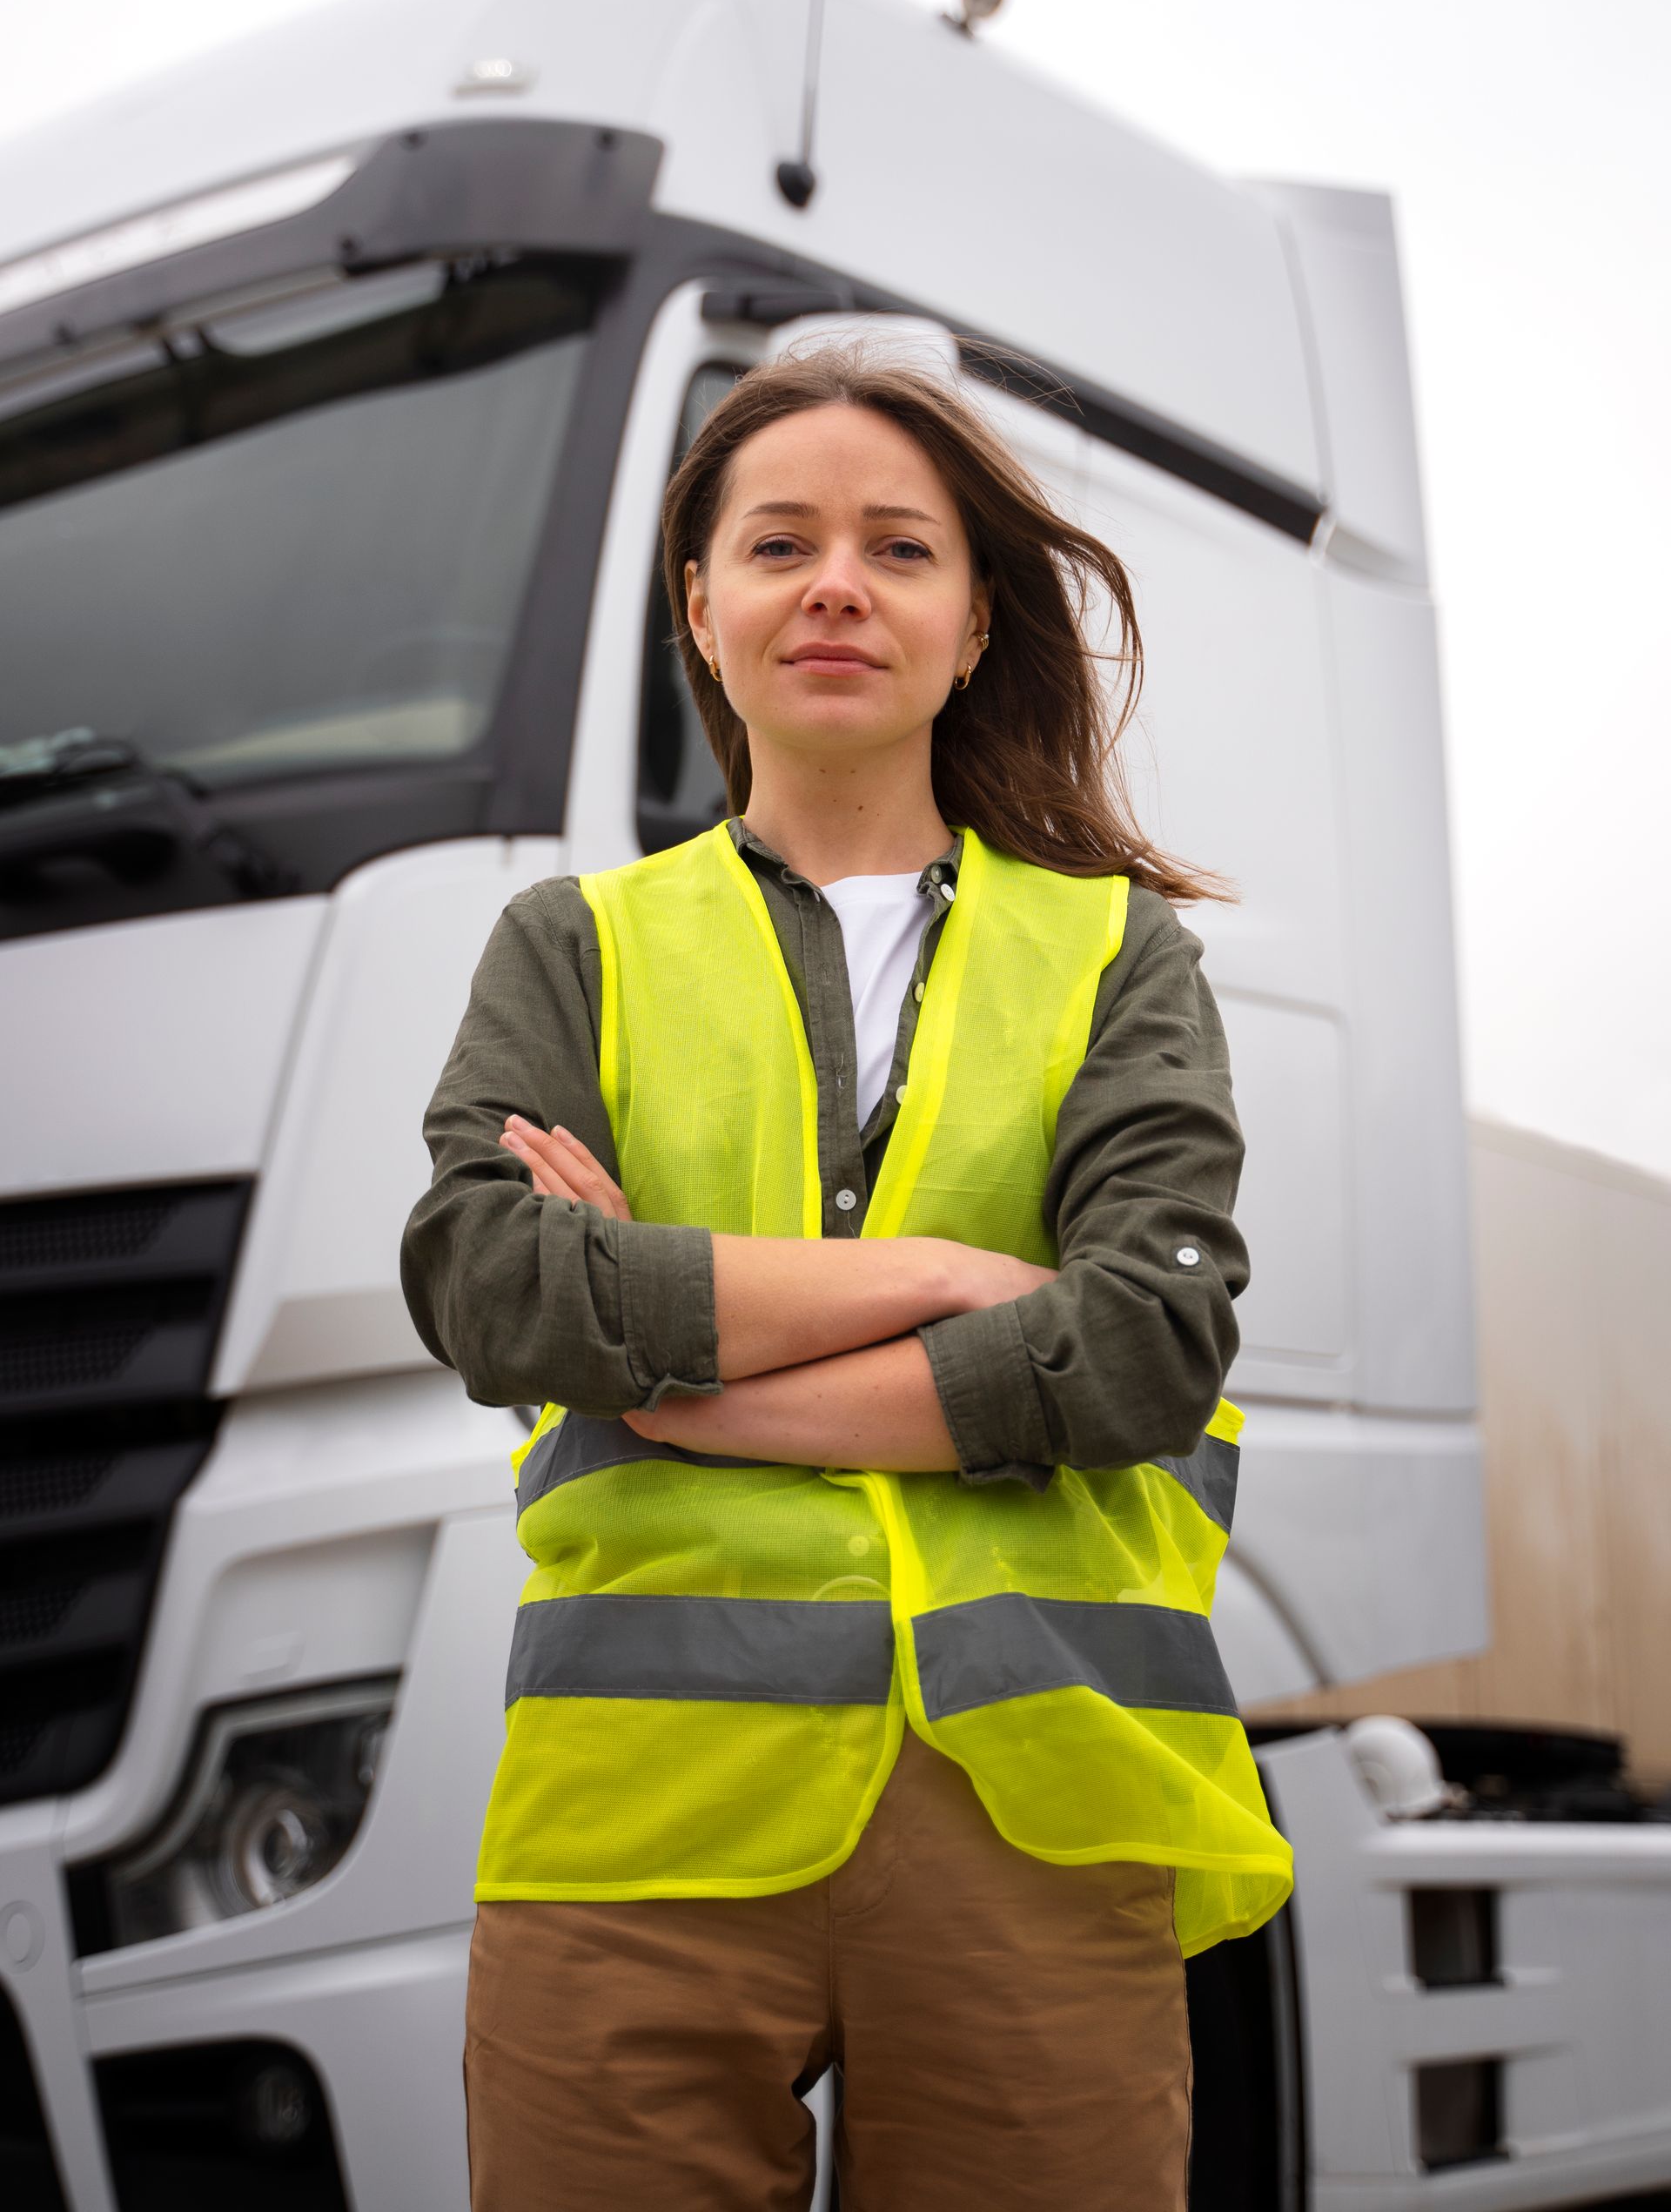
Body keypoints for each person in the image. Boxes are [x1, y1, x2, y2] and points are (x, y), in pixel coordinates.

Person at [399, 344, 1294, 2212]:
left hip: (1033, 1825)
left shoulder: (1121, 954)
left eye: (899, 549)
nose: (835, 585)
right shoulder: (575, 945)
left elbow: (1141, 1343)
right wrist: (947, 1275)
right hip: (635, 1832)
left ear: (974, 627)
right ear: (703, 614)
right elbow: (492, 1286)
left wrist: (671, 1375)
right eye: (780, 543)